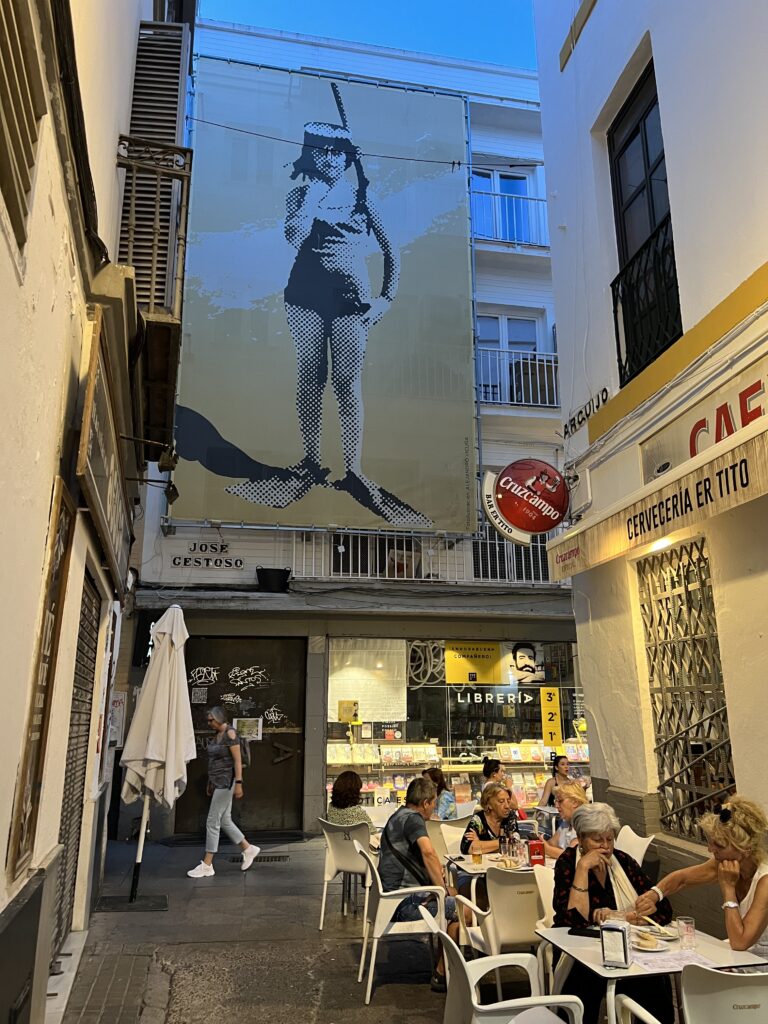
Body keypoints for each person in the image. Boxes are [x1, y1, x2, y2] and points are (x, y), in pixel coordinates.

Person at [553, 803, 673, 1024]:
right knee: (584, 979)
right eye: (597, 840)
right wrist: (582, 869)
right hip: (581, 951)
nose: (606, 847)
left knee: (654, 980)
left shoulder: (623, 862)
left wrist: (639, 912)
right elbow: (571, 920)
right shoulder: (568, 863)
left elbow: (664, 910)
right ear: (581, 838)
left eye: (609, 839)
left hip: (626, 947)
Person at [635, 795, 768, 958]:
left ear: (745, 848)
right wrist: (654, 894)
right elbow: (682, 879)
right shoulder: (722, 864)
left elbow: (740, 942)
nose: (710, 850)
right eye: (710, 842)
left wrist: (728, 889)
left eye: (719, 845)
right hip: (740, 956)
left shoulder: (765, 881)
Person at [379, 777, 460, 992]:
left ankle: (448, 963)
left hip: (391, 899)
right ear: (425, 803)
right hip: (404, 903)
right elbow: (428, 852)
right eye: (434, 803)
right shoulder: (414, 819)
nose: (434, 807)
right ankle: (443, 973)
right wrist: (441, 890)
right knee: (464, 910)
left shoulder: (397, 816)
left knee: (457, 894)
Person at [187, 707, 260, 878]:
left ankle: (207, 864)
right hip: (218, 782)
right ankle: (248, 848)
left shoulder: (230, 734)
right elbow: (214, 761)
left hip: (227, 782)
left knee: (212, 821)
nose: (209, 723)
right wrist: (210, 781)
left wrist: (239, 783)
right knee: (225, 820)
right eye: (208, 720)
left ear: (219, 718)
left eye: (211, 720)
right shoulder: (218, 735)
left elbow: (237, 761)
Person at [461, 783, 519, 855]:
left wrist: (481, 845)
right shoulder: (478, 820)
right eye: (501, 801)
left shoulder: (510, 817)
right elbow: (467, 848)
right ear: (489, 805)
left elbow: (516, 844)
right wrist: (503, 842)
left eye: (508, 801)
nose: (507, 806)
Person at [542, 781, 588, 860]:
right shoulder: (567, 822)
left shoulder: (584, 823)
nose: (556, 805)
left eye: (560, 801)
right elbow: (552, 843)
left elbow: (573, 855)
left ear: (575, 802)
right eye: (555, 801)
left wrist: (547, 849)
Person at [325, 770, 376, 834]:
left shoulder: (331, 808)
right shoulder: (357, 812)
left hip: (337, 840)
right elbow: (373, 833)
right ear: (355, 791)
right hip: (357, 840)